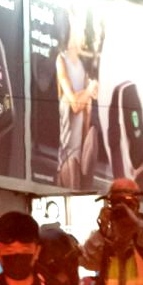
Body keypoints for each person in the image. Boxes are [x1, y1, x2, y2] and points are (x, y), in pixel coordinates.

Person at [55, 10, 99, 191]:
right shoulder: (61, 59)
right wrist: (88, 91)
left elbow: (85, 116)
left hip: (81, 157)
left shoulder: (82, 67)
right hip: (67, 157)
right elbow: (74, 104)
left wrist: (89, 97)